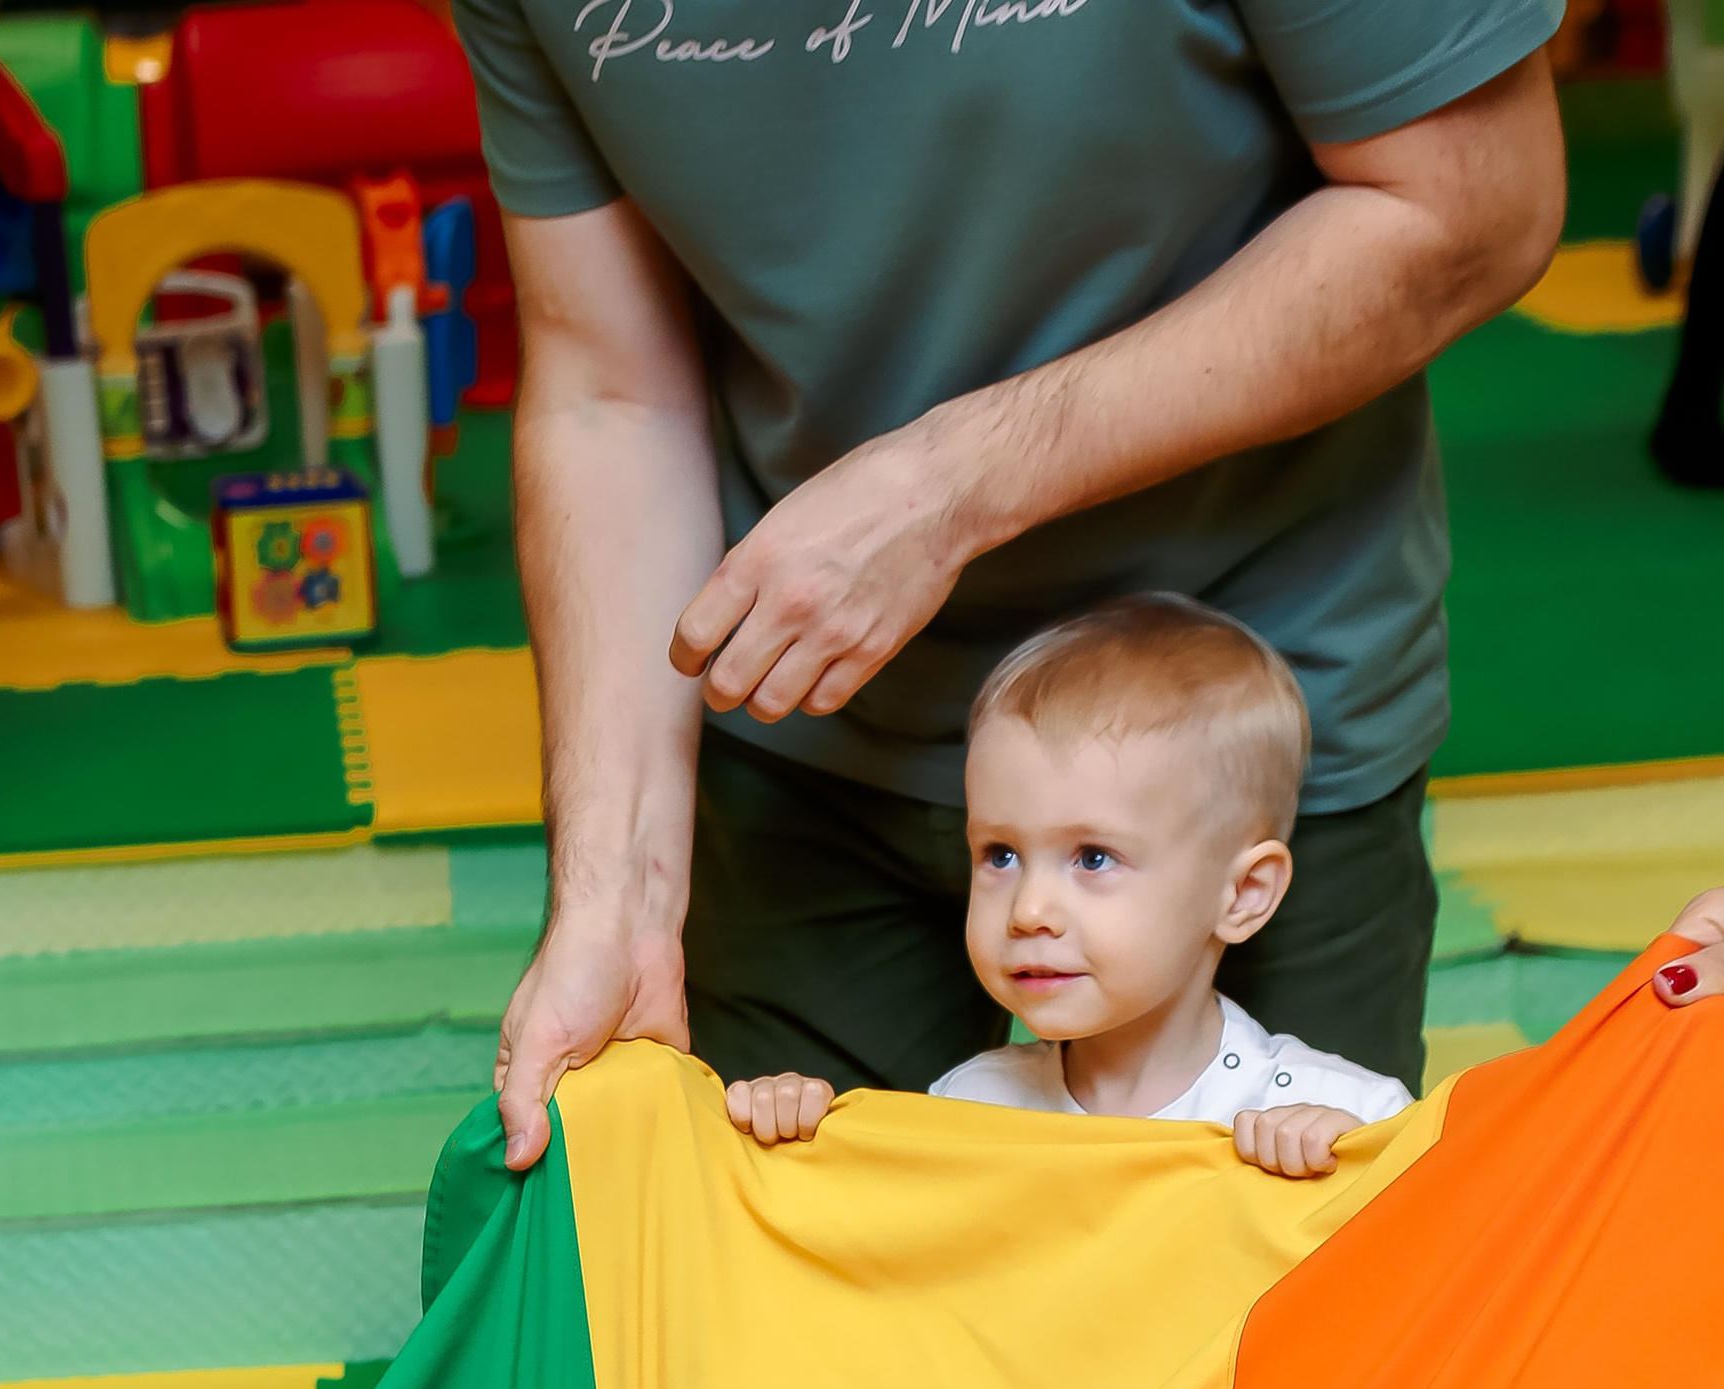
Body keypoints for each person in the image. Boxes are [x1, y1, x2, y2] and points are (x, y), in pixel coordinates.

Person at [461, 0, 1570, 1157]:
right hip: (808, 709)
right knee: (802, 1282)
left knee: (1282, 1308)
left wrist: (947, 486)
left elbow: (1473, 204)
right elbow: (609, 389)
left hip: (1231, 718)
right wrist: (614, 902)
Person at [726, 598, 1414, 1174]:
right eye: (1000, 855)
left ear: (1244, 895)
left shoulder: (1350, 1117)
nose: (1028, 911)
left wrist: (1355, 1172)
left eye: (1092, 858)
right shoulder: (965, 1111)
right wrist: (798, 1141)